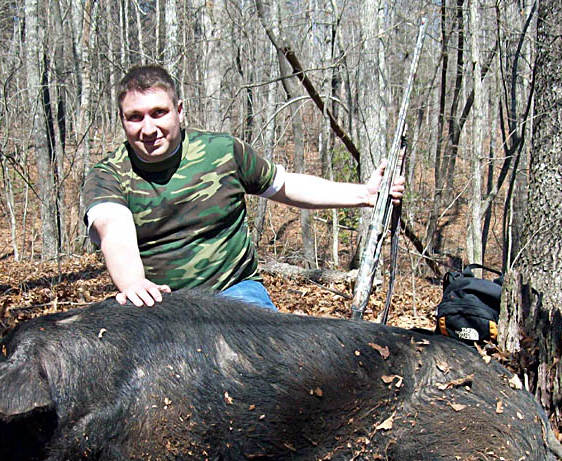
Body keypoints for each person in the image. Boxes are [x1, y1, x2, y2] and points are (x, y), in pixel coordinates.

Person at [83, 64, 404, 309]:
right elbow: (114, 230)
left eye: (158, 113)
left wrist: (364, 195)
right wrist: (135, 283)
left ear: (179, 111)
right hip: (160, 302)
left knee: (271, 370)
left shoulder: (222, 152)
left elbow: (284, 185)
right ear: (123, 121)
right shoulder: (108, 174)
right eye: (135, 117)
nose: (148, 128)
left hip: (235, 290)